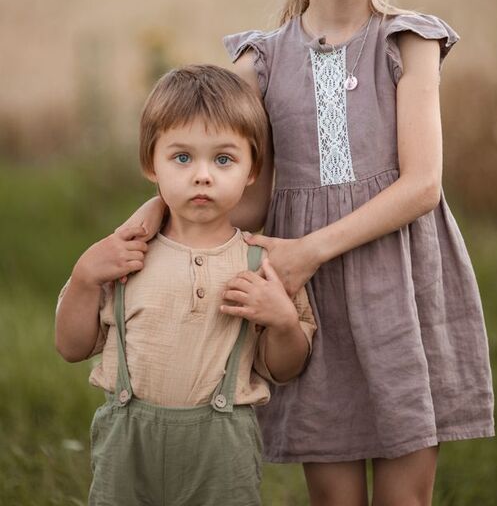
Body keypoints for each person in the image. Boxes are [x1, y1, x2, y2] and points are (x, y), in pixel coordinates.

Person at [120, 0, 494, 506]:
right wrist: (150, 220)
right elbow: (243, 193)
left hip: (398, 286)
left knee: (406, 498)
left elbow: (422, 186)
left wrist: (305, 253)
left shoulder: (407, 43)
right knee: (334, 499)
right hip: (306, 306)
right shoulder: (258, 62)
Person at [55, 64, 316, 506]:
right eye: (182, 157)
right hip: (127, 445)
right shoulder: (125, 254)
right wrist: (83, 278)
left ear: (253, 170)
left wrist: (284, 323)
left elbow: (286, 368)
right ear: (149, 163)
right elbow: (71, 347)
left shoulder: (262, 264)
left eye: (223, 159)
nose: (202, 175)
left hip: (222, 453)